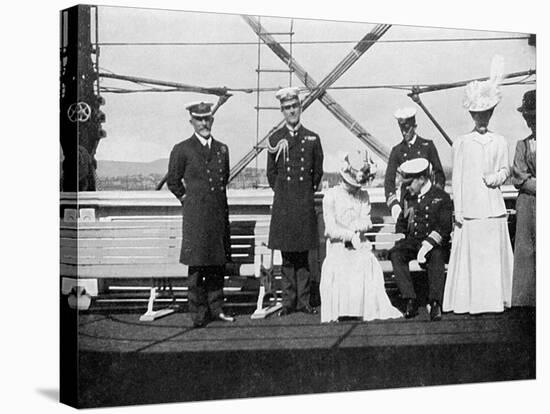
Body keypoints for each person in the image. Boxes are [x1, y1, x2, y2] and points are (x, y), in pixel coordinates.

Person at [443, 61, 514, 314]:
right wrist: (458, 211)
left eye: (485, 114)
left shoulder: (500, 141)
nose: (481, 119)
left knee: (491, 257)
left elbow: (506, 170)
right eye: (477, 114)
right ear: (471, 115)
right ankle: (471, 301)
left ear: (491, 114)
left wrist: (496, 177)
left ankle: (495, 301)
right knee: (473, 258)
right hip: (471, 210)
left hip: (493, 208)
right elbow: (458, 180)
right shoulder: (462, 143)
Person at [167, 101, 234, 328]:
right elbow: (173, 181)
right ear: (192, 122)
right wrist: (188, 200)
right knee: (196, 268)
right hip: (195, 218)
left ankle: (216, 308)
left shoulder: (222, 149)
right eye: (199, 119)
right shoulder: (182, 149)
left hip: (216, 215)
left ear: (212, 120)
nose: (204, 123)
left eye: (207, 119)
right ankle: (198, 313)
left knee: (217, 264)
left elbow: (223, 179)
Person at [320, 150, 402, 323]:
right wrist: (349, 235)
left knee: (366, 262)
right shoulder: (331, 196)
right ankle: (343, 310)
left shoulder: (363, 196)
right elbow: (330, 228)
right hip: (338, 246)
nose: (356, 187)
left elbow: (367, 221)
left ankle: (360, 309)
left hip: (360, 244)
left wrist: (356, 229)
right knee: (338, 264)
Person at [267, 87, 324, 316]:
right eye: (287, 108)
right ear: (282, 110)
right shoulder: (275, 138)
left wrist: (303, 192)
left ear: (300, 108)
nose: (291, 111)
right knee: (288, 257)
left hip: (303, 203)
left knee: (303, 257)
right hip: (284, 205)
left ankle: (304, 301)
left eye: (294, 106)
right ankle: (288, 302)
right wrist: (285, 193)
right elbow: (271, 174)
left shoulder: (312, 138)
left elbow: (317, 172)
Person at [389, 158, 453, 321]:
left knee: (437, 256)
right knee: (396, 254)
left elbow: (444, 228)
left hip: (434, 243)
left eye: (410, 183)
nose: (407, 187)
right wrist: (400, 239)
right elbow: (402, 223)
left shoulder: (441, 197)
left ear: (422, 179)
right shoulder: (409, 197)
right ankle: (409, 299)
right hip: (413, 241)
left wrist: (426, 246)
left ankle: (435, 302)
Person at [384, 107, 445, 221]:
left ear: (414, 126)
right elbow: (389, 181)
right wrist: (394, 205)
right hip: (407, 203)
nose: (404, 132)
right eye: (401, 128)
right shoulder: (397, 150)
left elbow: (439, 174)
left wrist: (436, 197)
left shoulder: (427, 146)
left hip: (427, 200)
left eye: (407, 129)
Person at [511, 89, 536, 307]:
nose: (532, 123)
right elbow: (519, 175)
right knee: (526, 250)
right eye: (529, 118)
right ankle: (527, 300)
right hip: (529, 202)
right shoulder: (523, 145)